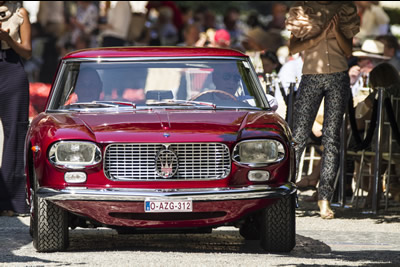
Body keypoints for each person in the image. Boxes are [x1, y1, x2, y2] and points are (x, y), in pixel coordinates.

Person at [286, 1, 360, 219]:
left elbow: (348, 50)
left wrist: (336, 31)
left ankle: (324, 197)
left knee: (332, 140)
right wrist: (318, 36)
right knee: (298, 136)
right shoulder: (302, 9)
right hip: (311, 77)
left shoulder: (344, 8)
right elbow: (293, 48)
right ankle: (287, 193)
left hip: (338, 77)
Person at [0, 1, 32, 216]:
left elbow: (28, 52)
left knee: (15, 134)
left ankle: (11, 202)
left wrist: (8, 39)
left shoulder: (20, 13)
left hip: (12, 71)